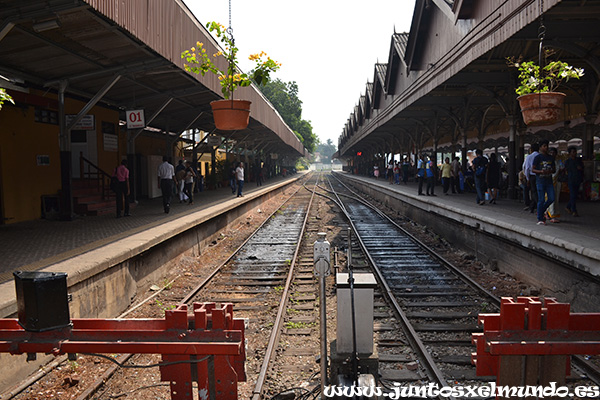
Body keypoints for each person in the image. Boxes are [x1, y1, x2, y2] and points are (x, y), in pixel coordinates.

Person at [531, 140, 555, 225]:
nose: (546, 148)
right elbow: (532, 169)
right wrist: (541, 171)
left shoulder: (551, 158)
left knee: (552, 198)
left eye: (547, 146)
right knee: (541, 199)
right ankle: (540, 218)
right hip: (540, 181)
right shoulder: (537, 158)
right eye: (544, 146)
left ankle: (541, 211)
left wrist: (550, 171)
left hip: (549, 181)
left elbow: (554, 169)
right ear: (540, 147)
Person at [564, 146, 584, 217]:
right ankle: (574, 210)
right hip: (571, 180)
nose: (575, 153)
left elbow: (582, 169)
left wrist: (580, 169)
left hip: (577, 179)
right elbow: (566, 170)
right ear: (570, 153)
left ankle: (568, 206)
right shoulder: (568, 161)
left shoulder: (578, 161)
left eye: (575, 152)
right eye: (573, 152)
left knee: (575, 195)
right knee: (572, 194)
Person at [545, 148, 562, 222]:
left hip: (556, 183)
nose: (552, 154)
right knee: (550, 198)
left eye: (554, 153)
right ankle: (551, 215)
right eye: (551, 152)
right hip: (549, 182)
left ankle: (550, 213)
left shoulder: (558, 162)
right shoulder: (547, 162)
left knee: (555, 199)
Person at [523, 143, 539, 213]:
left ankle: (538, 206)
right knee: (537, 191)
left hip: (532, 176)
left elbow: (526, 168)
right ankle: (532, 206)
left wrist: (527, 178)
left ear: (531, 149)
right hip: (540, 175)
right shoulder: (540, 156)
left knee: (534, 192)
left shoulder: (529, 157)